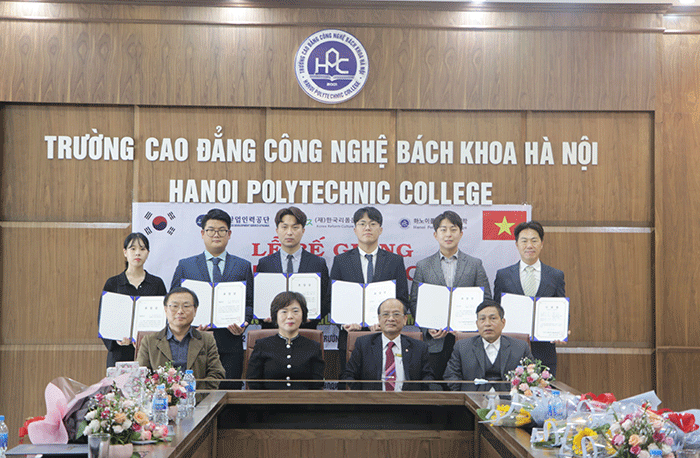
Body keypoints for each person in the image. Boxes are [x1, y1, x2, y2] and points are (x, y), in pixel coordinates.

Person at [170, 208, 253, 388]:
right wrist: (189, 325)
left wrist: (243, 324)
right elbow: (173, 304)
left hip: (230, 344)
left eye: (222, 230)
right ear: (202, 233)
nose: (216, 234)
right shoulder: (186, 266)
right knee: (193, 393)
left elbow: (249, 304)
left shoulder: (243, 266)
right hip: (193, 343)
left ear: (229, 234)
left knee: (229, 394)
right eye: (211, 230)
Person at [409, 211, 491, 384]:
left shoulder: (475, 264)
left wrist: (471, 328)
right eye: (443, 230)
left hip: (467, 339)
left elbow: (486, 300)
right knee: (434, 387)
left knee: (466, 386)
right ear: (435, 234)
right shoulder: (423, 266)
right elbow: (415, 301)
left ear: (461, 234)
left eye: (453, 230)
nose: (448, 234)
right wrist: (428, 328)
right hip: (435, 342)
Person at [330, 206, 409, 376]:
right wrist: (344, 323)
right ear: (355, 229)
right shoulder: (341, 261)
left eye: (372, 224)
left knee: (383, 381)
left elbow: (402, 299)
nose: (367, 228)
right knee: (350, 382)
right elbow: (332, 299)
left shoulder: (394, 261)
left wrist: (386, 321)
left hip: (385, 335)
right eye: (362, 224)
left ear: (380, 229)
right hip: (350, 336)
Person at [493, 221, 566, 376]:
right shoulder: (503, 275)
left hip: (544, 350)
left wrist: (562, 329)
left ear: (542, 244)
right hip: (511, 349)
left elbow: (561, 307)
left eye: (534, 240)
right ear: (517, 244)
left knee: (544, 389)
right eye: (524, 241)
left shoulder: (555, 275)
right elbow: (496, 310)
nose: (529, 246)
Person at [136, 287, 225, 389]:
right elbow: (141, 376)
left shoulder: (206, 340)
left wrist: (194, 394)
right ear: (165, 309)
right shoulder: (149, 341)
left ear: (195, 310)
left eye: (186, 306)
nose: (180, 311)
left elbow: (217, 373)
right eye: (174, 306)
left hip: (197, 397)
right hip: (161, 397)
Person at [256, 207, 330, 327]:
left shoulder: (317, 263)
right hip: (272, 330)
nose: (289, 232)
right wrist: (263, 317)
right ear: (277, 230)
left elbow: (326, 299)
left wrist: (312, 318)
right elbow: (257, 299)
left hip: (306, 330)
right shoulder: (265, 264)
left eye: (295, 227)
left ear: (303, 230)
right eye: (284, 227)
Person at [101, 232, 167, 368]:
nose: (138, 253)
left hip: (150, 353)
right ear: (125, 252)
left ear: (148, 253)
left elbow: (165, 317)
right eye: (133, 249)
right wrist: (116, 340)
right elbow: (104, 318)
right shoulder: (113, 283)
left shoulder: (157, 283)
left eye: (142, 249)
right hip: (120, 352)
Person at [342, 299, 435, 391]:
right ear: (379, 319)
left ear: (405, 319)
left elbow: (428, 378)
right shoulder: (363, 344)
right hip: (373, 399)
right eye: (386, 314)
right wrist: (364, 396)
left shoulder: (419, 347)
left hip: (406, 399)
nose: (391, 319)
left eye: (396, 314)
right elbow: (349, 375)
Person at [444, 300, 532, 392]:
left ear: (503, 322)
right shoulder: (462, 347)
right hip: (472, 399)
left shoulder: (520, 347)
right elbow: (451, 376)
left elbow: (532, 376)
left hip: (509, 399)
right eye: (482, 319)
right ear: (477, 324)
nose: (487, 324)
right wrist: (464, 397)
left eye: (493, 318)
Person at [246, 291, 325, 390]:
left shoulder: (313, 347)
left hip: (303, 400)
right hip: (269, 399)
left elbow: (317, 386)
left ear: (303, 315)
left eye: (295, 311)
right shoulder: (262, 346)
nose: (290, 316)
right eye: (284, 312)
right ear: (275, 316)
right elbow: (253, 383)